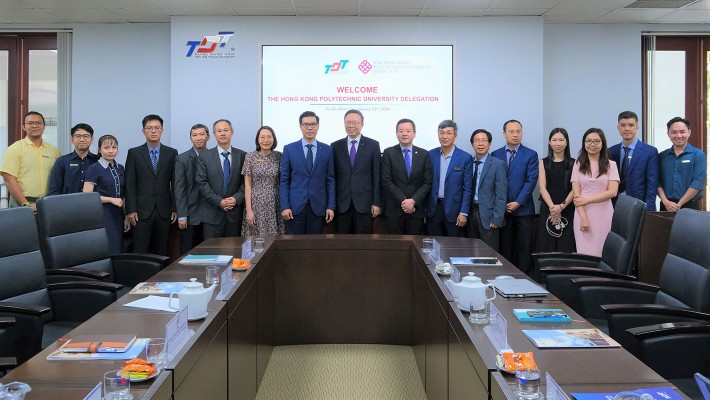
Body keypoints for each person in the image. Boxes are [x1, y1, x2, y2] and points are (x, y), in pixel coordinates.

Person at [124, 114, 178, 256]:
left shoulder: (172, 153)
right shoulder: (134, 153)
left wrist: (174, 207)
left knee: (162, 251)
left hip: (164, 210)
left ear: (162, 130)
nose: (153, 131)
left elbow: (175, 182)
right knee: (140, 250)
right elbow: (130, 183)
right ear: (143, 131)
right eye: (149, 128)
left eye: (156, 128)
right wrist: (130, 209)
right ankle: (141, 278)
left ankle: (161, 278)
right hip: (140, 212)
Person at [491, 120, 538, 275]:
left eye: (518, 131)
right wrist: (502, 204)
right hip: (502, 210)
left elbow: (531, 181)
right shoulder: (495, 154)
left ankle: (524, 278)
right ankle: (506, 277)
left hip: (523, 210)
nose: (515, 134)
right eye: (511, 131)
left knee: (524, 247)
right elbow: (493, 182)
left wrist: (518, 202)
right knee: (505, 247)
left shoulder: (531, 154)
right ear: (504, 134)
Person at [279, 111, 336, 235]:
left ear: (318, 126)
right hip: (294, 208)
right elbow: (284, 180)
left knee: (314, 247)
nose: (309, 127)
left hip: (318, 208)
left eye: (313, 124)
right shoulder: (289, 149)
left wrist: (330, 206)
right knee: (294, 247)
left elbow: (330, 180)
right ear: (300, 126)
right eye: (306, 124)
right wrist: (285, 206)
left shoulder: (327, 150)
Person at [331, 109, 382, 234]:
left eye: (355, 122)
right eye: (348, 123)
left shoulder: (373, 145)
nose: (351, 126)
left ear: (362, 124)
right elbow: (332, 177)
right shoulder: (335, 146)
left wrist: (376, 202)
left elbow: (377, 175)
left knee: (364, 243)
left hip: (364, 203)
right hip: (342, 203)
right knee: (343, 243)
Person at [571, 128, 619, 257]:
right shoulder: (578, 164)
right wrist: (583, 218)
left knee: (603, 253)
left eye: (596, 141)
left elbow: (613, 192)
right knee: (584, 255)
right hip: (582, 214)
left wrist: (587, 200)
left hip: (604, 214)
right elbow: (576, 195)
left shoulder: (611, 165)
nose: (592, 144)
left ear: (602, 144)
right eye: (589, 141)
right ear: (584, 143)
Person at [196, 119, 246, 238]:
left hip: (235, 214)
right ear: (214, 134)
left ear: (232, 132)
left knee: (234, 252)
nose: (222, 133)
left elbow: (246, 183)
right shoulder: (204, 157)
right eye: (219, 131)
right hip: (212, 215)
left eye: (225, 130)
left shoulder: (243, 155)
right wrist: (219, 201)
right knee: (212, 254)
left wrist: (236, 199)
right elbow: (202, 183)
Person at [381, 118, 433, 235]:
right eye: (401, 131)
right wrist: (404, 201)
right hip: (394, 209)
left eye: (408, 131)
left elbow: (427, 182)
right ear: (396, 134)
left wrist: (413, 201)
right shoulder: (389, 152)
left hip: (416, 210)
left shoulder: (424, 154)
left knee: (415, 246)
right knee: (395, 246)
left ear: (414, 133)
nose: (404, 133)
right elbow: (386, 181)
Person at [1, 111, 60, 209]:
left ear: (44, 126)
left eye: (38, 123)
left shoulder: (54, 151)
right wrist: (25, 204)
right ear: (24, 127)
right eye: (30, 123)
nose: (34, 126)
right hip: (20, 202)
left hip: (46, 202)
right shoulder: (14, 149)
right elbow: (9, 180)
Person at [83, 135, 128, 255]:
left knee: (118, 247)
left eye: (114, 147)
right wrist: (110, 199)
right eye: (106, 147)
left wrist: (127, 215)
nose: (111, 150)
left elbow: (123, 194)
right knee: (108, 248)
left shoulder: (120, 168)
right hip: (103, 213)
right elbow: (87, 195)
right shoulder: (94, 168)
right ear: (99, 149)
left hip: (118, 214)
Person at [426, 119, 472, 237]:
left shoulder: (465, 157)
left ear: (455, 135)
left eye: (448, 133)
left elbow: (467, 188)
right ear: (438, 135)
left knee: (453, 248)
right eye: (441, 133)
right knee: (434, 246)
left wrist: (464, 212)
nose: (444, 136)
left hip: (455, 211)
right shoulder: (430, 155)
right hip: (433, 210)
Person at [608, 111, 658, 211]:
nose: (627, 129)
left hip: (639, 203)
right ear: (618, 128)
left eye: (631, 125)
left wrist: (650, 210)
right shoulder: (611, 151)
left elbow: (652, 183)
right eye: (623, 125)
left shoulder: (649, 151)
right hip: (614, 203)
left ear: (637, 127)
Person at [536, 128, 576, 253]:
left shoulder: (574, 163)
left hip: (568, 208)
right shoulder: (543, 163)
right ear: (549, 142)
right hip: (548, 208)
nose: (557, 143)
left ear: (567, 142)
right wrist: (553, 208)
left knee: (566, 245)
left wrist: (561, 207)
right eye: (554, 140)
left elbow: (575, 189)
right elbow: (542, 188)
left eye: (561, 140)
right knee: (546, 245)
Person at [467, 129, 507, 251]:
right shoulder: (468, 163)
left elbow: (501, 194)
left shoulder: (498, 164)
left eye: (484, 140)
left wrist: (497, 218)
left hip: (489, 217)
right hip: (470, 215)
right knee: (471, 252)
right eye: (477, 140)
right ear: (472, 144)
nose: (480, 144)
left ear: (489, 144)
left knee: (489, 254)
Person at [242, 126, 285, 236]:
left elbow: (284, 181)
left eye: (269, 137)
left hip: (275, 203)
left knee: (274, 239)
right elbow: (247, 185)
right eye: (262, 137)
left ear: (274, 139)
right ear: (257, 139)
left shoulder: (280, 156)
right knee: (255, 241)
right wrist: (249, 210)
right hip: (255, 204)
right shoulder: (250, 157)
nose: (266, 140)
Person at [174, 123, 210, 255]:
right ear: (190, 138)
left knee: (209, 252)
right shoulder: (181, 159)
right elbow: (179, 188)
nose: (198, 138)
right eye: (194, 135)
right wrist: (182, 215)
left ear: (208, 137)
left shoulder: (214, 156)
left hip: (210, 215)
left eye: (201, 134)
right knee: (188, 253)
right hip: (190, 215)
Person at [657, 117, 706, 211]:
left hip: (690, 206)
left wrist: (678, 205)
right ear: (668, 134)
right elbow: (657, 182)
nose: (678, 135)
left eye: (682, 132)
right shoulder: (662, 156)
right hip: (666, 206)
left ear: (689, 132)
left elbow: (697, 183)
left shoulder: (698, 155)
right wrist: (666, 202)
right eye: (674, 132)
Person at [48, 123, 99, 195]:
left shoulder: (98, 161)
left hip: (93, 204)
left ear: (92, 139)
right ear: (72, 140)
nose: (82, 139)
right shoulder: (62, 161)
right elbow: (54, 190)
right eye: (78, 136)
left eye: (86, 136)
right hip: (67, 204)